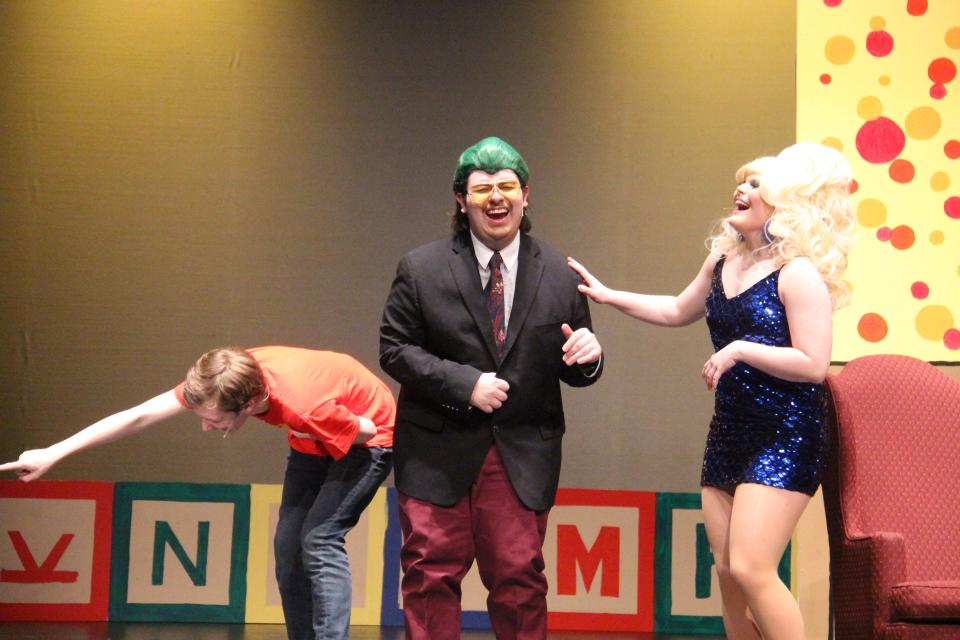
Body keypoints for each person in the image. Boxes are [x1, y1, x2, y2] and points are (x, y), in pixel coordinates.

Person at [568, 142, 856, 640]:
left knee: (751, 567)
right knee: (726, 576)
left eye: (754, 184)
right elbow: (677, 310)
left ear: (784, 202)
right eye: (740, 181)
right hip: (729, 433)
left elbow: (812, 365)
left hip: (784, 436)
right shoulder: (724, 259)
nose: (740, 189)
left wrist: (741, 349)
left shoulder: (798, 272)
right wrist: (609, 295)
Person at [0, 345, 395, 640]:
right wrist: (55, 451)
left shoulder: (305, 406)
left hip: (368, 435)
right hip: (311, 438)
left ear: (250, 404)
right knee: (288, 546)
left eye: (214, 420)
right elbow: (138, 415)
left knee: (318, 539)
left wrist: (332, 427)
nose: (206, 427)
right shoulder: (219, 382)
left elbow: (366, 429)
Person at [379, 136, 603, 639]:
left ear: (526, 195)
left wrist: (590, 358)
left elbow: (573, 364)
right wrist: (465, 384)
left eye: (507, 186)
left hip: (521, 453)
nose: (495, 198)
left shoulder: (562, 275)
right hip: (436, 450)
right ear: (462, 200)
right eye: (482, 189)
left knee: (520, 582)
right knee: (428, 578)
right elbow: (395, 349)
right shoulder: (421, 267)